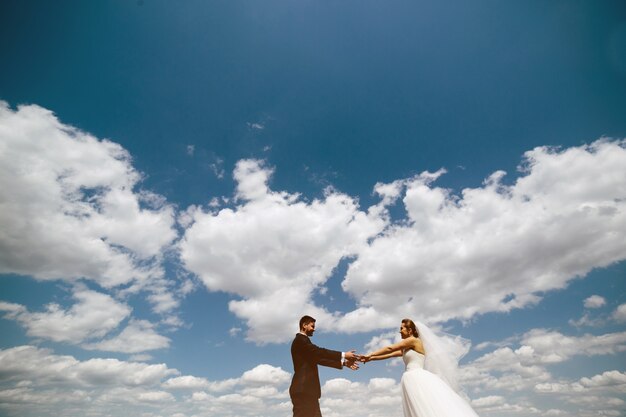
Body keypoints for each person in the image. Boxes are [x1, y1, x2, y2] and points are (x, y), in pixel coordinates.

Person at [361, 318, 479, 417]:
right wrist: (370, 359)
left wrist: (370, 354)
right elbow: (390, 354)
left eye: (402, 328)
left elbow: (390, 348)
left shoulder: (413, 341)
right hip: (410, 378)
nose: (400, 331)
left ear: (410, 330)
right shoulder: (407, 347)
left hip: (416, 377)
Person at [289, 315, 360, 417]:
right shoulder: (300, 340)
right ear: (304, 325)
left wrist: (343, 362)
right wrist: (343, 354)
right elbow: (319, 352)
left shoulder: (304, 342)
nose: (314, 329)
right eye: (312, 326)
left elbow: (319, 359)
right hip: (303, 390)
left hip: (308, 390)